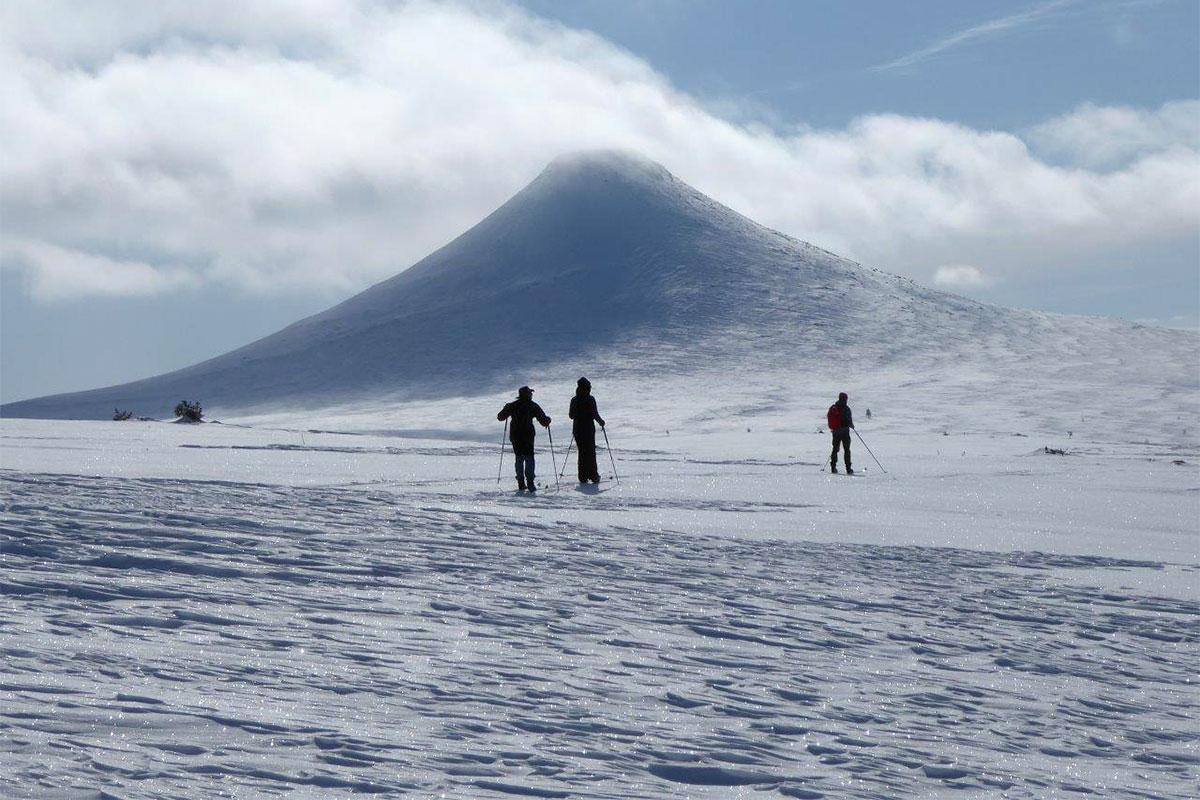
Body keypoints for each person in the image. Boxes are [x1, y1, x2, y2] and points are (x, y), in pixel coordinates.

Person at [497, 386, 551, 491]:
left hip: (515, 435)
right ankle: (530, 482)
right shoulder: (533, 406)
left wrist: (507, 408)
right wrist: (548, 420)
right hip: (528, 435)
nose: (531, 395)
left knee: (519, 458)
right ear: (527, 395)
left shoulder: (513, 405)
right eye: (530, 393)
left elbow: (500, 417)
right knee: (529, 458)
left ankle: (521, 482)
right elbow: (543, 420)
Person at [568, 377, 606, 483]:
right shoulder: (590, 399)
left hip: (577, 430)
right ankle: (593, 475)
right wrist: (601, 422)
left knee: (582, 453)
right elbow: (594, 414)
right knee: (590, 452)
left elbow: (571, 415)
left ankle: (583, 476)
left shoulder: (574, 400)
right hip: (588, 430)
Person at [828, 392, 854, 474]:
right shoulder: (846, 409)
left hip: (835, 432)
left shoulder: (833, 408)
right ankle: (848, 468)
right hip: (845, 432)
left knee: (835, 449)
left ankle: (833, 467)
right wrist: (851, 425)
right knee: (846, 450)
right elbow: (849, 421)